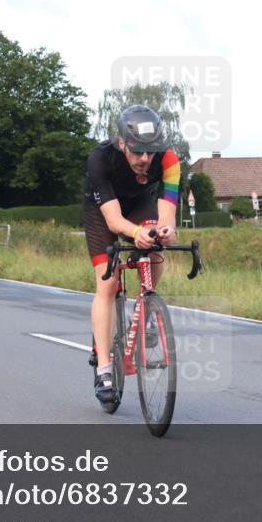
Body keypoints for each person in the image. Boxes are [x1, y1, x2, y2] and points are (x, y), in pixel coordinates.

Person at [83, 105, 179, 404]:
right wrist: (134, 233)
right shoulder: (100, 159)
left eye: (150, 152)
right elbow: (113, 221)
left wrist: (164, 231)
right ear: (122, 143)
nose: (144, 159)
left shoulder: (169, 160)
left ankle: (148, 305)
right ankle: (105, 370)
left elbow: (167, 215)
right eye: (137, 151)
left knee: (155, 245)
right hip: (103, 213)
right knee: (108, 284)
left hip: (139, 204)